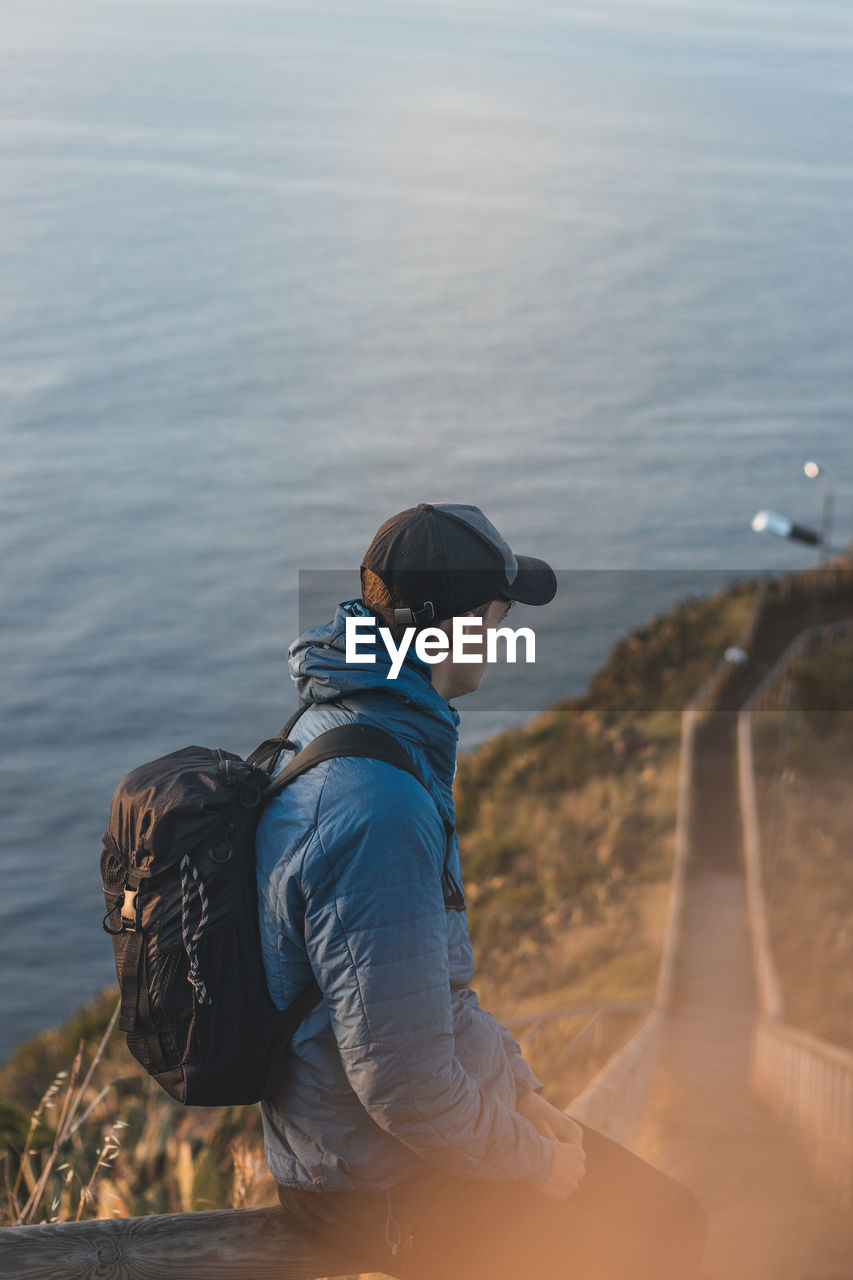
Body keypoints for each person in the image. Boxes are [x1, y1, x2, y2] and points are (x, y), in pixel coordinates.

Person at [255, 502, 708, 1279]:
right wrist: (533, 1163)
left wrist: (522, 1095)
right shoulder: (378, 806)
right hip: (375, 1180)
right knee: (657, 1235)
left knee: (669, 1217)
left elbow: (427, 999)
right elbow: (401, 1082)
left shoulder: (344, 721)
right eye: (493, 621)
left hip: (373, 1143)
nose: (497, 643)